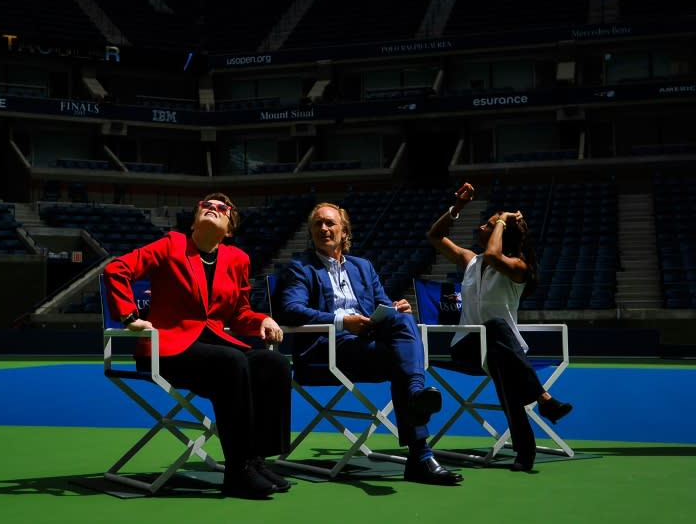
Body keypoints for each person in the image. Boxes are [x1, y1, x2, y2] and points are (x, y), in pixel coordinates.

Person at [103, 192, 292, 499]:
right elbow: (117, 269)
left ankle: (257, 460)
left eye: (223, 208)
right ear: (194, 221)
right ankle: (237, 471)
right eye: (206, 206)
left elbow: (240, 314)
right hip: (166, 350)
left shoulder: (238, 259)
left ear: (230, 229)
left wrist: (261, 320)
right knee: (233, 362)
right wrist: (129, 317)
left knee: (275, 364)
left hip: (215, 345)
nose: (213, 209)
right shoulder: (171, 244)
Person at [274, 202, 464, 486]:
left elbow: (382, 305)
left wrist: (395, 308)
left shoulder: (363, 267)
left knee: (403, 322)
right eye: (318, 224)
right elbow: (290, 310)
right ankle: (420, 455)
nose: (323, 229)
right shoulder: (300, 268)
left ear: (344, 231)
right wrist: (341, 321)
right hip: (326, 351)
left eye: (330, 223)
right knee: (403, 361)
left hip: (365, 347)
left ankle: (415, 401)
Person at [426, 182, 573, 472]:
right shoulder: (470, 260)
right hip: (466, 347)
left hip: (502, 351)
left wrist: (503, 220)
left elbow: (495, 256)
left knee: (504, 372)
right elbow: (435, 236)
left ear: (501, 234)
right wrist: (457, 206)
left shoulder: (518, 267)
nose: (482, 226)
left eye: (489, 224)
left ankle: (525, 452)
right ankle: (543, 397)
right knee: (494, 331)